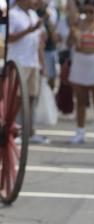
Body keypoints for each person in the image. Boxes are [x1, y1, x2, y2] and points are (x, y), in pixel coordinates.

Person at [67, 0, 94, 146]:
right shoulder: (77, 24)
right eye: (85, 12)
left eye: (91, 12)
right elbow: (68, 44)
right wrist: (73, 35)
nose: (88, 15)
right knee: (80, 100)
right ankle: (80, 131)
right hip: (80, 62)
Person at [7, 0, 49, 144]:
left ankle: (29, 131)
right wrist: (28, 30)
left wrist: (42, 62)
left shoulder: (33, 14)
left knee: (31, 97)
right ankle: (13, 128)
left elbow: (38, 41)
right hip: (19, 62)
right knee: (17, 98)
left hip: (33, 62)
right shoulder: (12, 15)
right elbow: (9, 38)